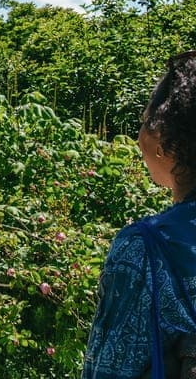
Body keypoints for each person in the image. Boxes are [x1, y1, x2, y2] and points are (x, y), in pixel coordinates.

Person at [83, 51, 196, 378]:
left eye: (145, 121)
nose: (138, 136)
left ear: (164, 139)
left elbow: (108, 369)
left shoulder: (145, 248)